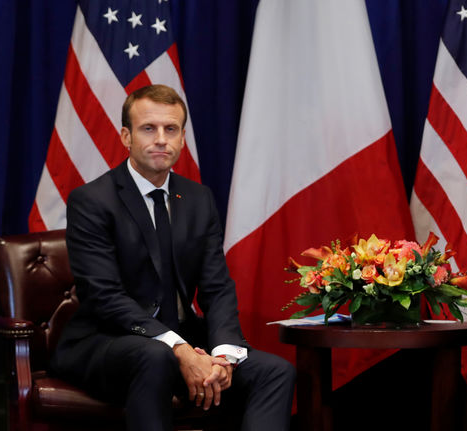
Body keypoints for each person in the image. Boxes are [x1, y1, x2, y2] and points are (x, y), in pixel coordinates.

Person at [51, 84, 295, 431]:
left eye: (171, 129)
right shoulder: (91, 201)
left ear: (182, 138)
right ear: (126, 136)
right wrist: (179, 349)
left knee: (275, 372)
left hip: (182, 341)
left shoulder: (198, 198)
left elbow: (217, 286)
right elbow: (104, 296)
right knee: (155, 355)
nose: (161, 139)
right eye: (148, 128)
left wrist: (224, 355)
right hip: (104, 343)